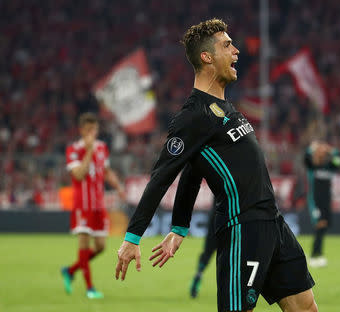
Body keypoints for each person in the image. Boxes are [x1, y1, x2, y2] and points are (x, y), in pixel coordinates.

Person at [115, 19, 317, 312]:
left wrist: (180, 226)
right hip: (242, 228)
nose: (236, 51)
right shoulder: (193, 116)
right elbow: (162, 176)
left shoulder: (226, 108)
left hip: (273, 223)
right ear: (206, 57)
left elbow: (194, 170)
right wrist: (133, 237)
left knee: (305, 308)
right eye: (227, 45)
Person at [61, 112, 126, 299]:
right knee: (83, 244)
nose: (92, 133)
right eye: (88, 130)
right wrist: (88, 151)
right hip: (82, 205)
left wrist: (118, 186)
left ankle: (70, 270)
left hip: (98, 205)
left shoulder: (102, 148)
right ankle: (90, 288)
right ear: (81, 130)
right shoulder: (74, 150)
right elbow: (79, 175)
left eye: (94, 129)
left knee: (100, 246)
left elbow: (106, 172)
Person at [304, 141, 340, 268]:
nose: (320, 154)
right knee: (320, 225)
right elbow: (306, 157)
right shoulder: (312, 168)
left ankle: (318, 254)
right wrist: (312, 148)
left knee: (324, 227)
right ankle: (314, 255)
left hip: (326, 203)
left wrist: (331, 150)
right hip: (315, 202)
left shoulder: (329, 167)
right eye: (318, 152)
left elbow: (339, 160)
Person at [190, 200, 217, 298]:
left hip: (215, 221)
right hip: (224, 222)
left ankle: (198, 275)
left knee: (207, 254)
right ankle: (198, 276)